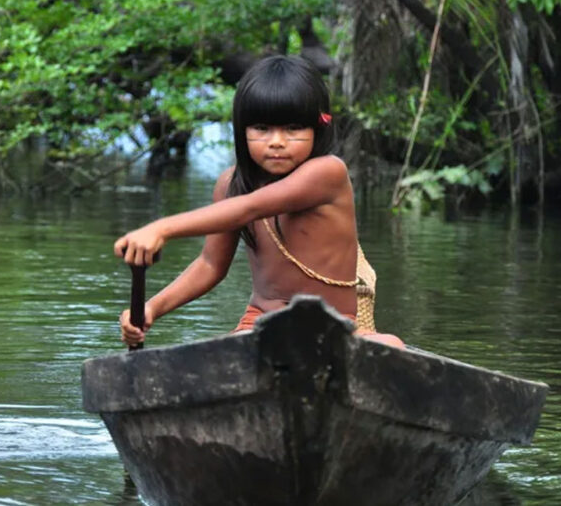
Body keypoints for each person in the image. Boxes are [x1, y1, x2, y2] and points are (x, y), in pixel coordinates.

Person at [114, 55, 404, 348]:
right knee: (230, 350)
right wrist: (152, 308)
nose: (276, 141)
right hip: (260, 325)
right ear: (243, 131)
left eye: (293, 129)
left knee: (392, 346)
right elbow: (210, 264)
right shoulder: (231, 185)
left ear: (318, 128)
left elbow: (250, 207)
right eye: (262, 129)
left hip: (336, 329)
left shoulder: (327, 172)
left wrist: (162, 228)